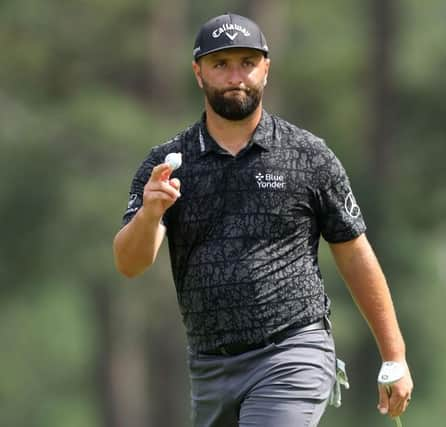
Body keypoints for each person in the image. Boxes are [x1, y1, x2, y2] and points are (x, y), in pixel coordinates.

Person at [113, 12, 413, 427]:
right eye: (221, 64)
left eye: (247, 63)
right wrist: (150, 214)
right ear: (198, 73)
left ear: (266, 70)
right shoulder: (168, 163)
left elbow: (354, 253)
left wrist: (394, 355)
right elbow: (130, 263)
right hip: (209, 368)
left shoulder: (308, 156)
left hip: (292, 352)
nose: (236, 76)